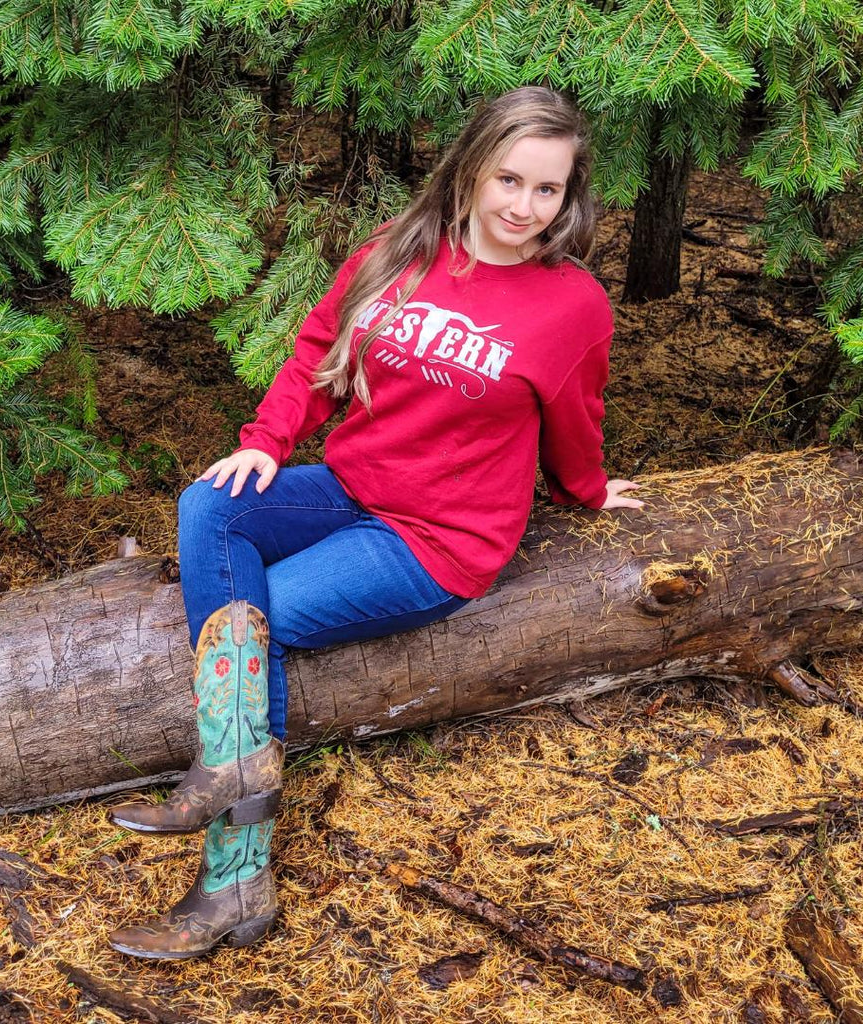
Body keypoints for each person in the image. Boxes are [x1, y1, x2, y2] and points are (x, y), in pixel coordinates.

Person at [105, 86, 643, 960]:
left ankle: (235, 877)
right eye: (508, 179)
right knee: (210, 502)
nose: (524, 206)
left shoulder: (571, 304)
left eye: (548, 190)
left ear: (569, 196)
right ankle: (234, 767)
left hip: (437, 542)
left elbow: (576, 417)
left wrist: (587, 491)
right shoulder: (396, 253)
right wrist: (268, 444)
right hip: (350, 488)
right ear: (469, 168)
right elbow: (317, 355)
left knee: (258, 618)